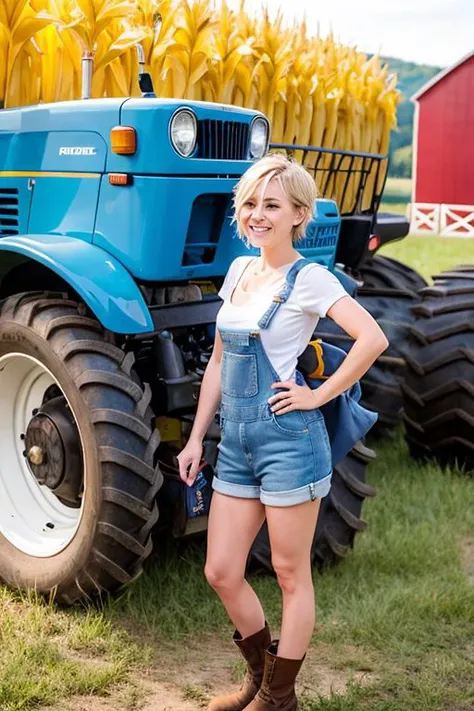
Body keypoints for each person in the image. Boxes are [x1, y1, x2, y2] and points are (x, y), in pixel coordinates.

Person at [177, 153, 388, 711]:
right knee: (221, 570)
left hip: (289, 444)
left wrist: (317, 394)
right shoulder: (240, 272)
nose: (256, 215)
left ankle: (278, 698)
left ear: (300, 214)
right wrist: (198, 437)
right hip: (237, 444)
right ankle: (259, 680)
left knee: (292, 576)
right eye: (249, 204)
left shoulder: (311, 279)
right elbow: (219, 362)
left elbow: (371, 339)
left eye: (271, 205)